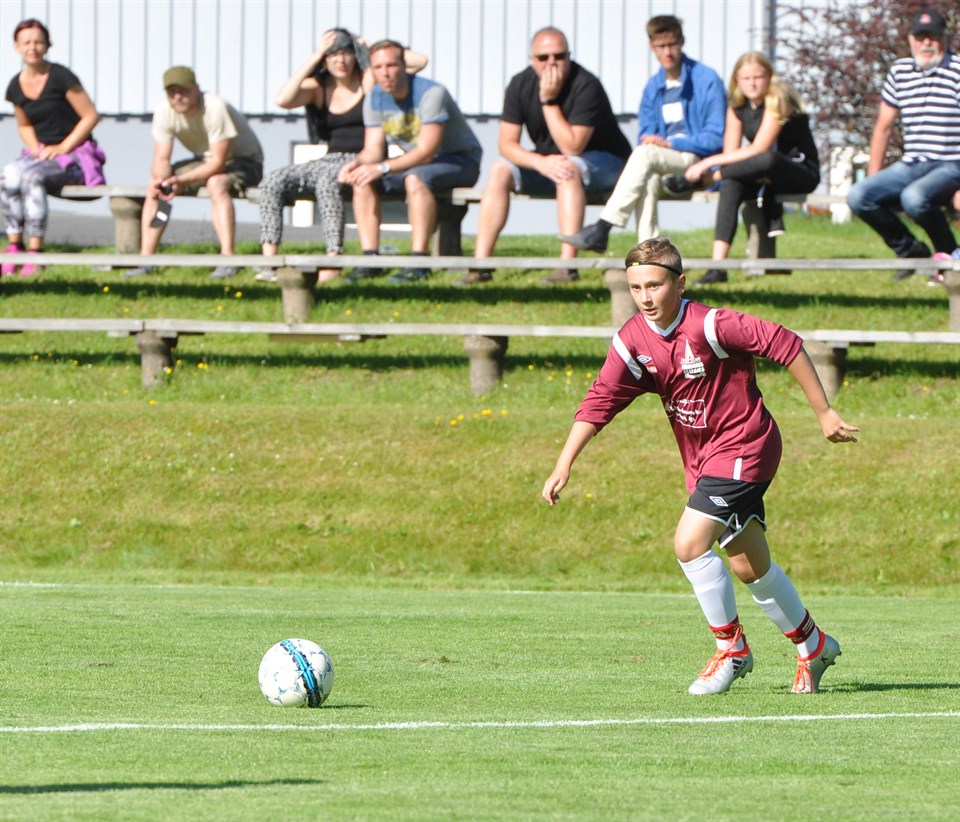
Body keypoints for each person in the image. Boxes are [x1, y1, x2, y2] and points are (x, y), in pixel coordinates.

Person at [542, 237, 858, 696]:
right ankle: (814, 644)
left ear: (680, 283)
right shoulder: (632, 340)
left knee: (689, 544)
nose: (645, 297)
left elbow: (784, 343)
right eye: (635, 288)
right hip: (706, 460)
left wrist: (824, 413)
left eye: (654, 285)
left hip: (746, 446)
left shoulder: (711, 324)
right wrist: (564, 462)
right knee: (749, 567)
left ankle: (731, 650)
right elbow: (601, 398)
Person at [460, 26, 631, 286]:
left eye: (559, 56)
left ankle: (567, 266)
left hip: (607, 162)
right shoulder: (520, 83)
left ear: (569, 56)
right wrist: (539, 162)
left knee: (567, 167)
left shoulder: (586, 84)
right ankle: (480, 265)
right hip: (551, 161)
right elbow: (506, 144)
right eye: (543, 57)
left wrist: (549, 102)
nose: (552, 62)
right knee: (499, 170)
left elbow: (572, 146)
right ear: (532, 60)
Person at [254, 29, 428, 284]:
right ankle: (269, 262)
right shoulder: (319, 88)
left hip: (365, 158)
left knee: (327, 181)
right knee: (272, 180)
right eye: (333, 55)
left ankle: (333, 258)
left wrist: (369, 48)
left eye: (346, 53)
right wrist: (315, 56)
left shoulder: (369, 79)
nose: (340, 60)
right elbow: (283, 99)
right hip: (329, 158)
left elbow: (420, 61)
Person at [560, 15, 725, 256]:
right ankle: (651, 256)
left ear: (682, 42)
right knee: (646, 177)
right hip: (662, 163)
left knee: (644, 156)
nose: (667, 52)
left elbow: (716, 137)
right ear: (651, 46)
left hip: (698, 163)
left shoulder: (706, 79)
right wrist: (656, 144)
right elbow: (645, 138)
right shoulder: (653, 87)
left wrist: (670, 143)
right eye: (661, 46)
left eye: (672, 44)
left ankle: (603, 226)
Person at [662, 51, 820, 284]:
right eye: (746, 78)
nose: (752, 83)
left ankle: (705, 179)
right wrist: (723, 168)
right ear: (737, 81)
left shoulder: (779, 100)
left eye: (758, 77)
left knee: (767, 159)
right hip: (763, 173)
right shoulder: (736, 108)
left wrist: (707, 165)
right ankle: (718, 267)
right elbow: (730, 153)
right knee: (731, 184)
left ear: (769, 77)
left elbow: (759, 148)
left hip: (799, 171)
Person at [338, 39, 481, 284]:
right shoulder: (374, 98)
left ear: (404, 66)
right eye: (378, 67)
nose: (385, 73)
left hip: (460, 160)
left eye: (391, 65)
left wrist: (382, 167)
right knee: (362, 179)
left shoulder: (431, 93)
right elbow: (373, 149)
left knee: (415, 178)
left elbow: (426, 152)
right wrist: (356, 163)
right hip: (417, 163)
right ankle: (370, 260)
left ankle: (419, 262)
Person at [847, 7, 960, 281]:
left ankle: (950, 257)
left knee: (914, 198)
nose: (926, 43)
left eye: (932, 37)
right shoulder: (900, 71)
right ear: (910, 39)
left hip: (950, 163)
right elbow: (883, 127)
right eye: (920, 37)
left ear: (944, 38)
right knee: (859, 196)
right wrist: (874, 176)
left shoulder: (957, 70)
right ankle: (912, 252)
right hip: (911, 164)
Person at [126, 66, 264, 279]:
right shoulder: (163, 111)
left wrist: (180, 179)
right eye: (172, 92)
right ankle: (146, 259)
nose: (177, 97)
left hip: (245, 161)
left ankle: (228, 257)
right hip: (204, 160)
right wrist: (163, 179)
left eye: (183, 91)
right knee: (157, 189)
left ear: (196, 89)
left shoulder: (215, 107)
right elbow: (161, 158)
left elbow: (218, 162)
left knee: (216, 184)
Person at [2, 19, 103, 277]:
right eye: (26, 42)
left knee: (31, 177)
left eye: (38, 42)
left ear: (47, 45)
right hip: (42, 155)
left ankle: (36, 252)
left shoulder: (61, 77)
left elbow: (90, 115)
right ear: (16, 46)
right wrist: (36, 148)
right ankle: (14, 246)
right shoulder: (15, 85)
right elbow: (24, 125)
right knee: (9, 173)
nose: (32, 47)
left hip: (76, 157)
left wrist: (63, 147)